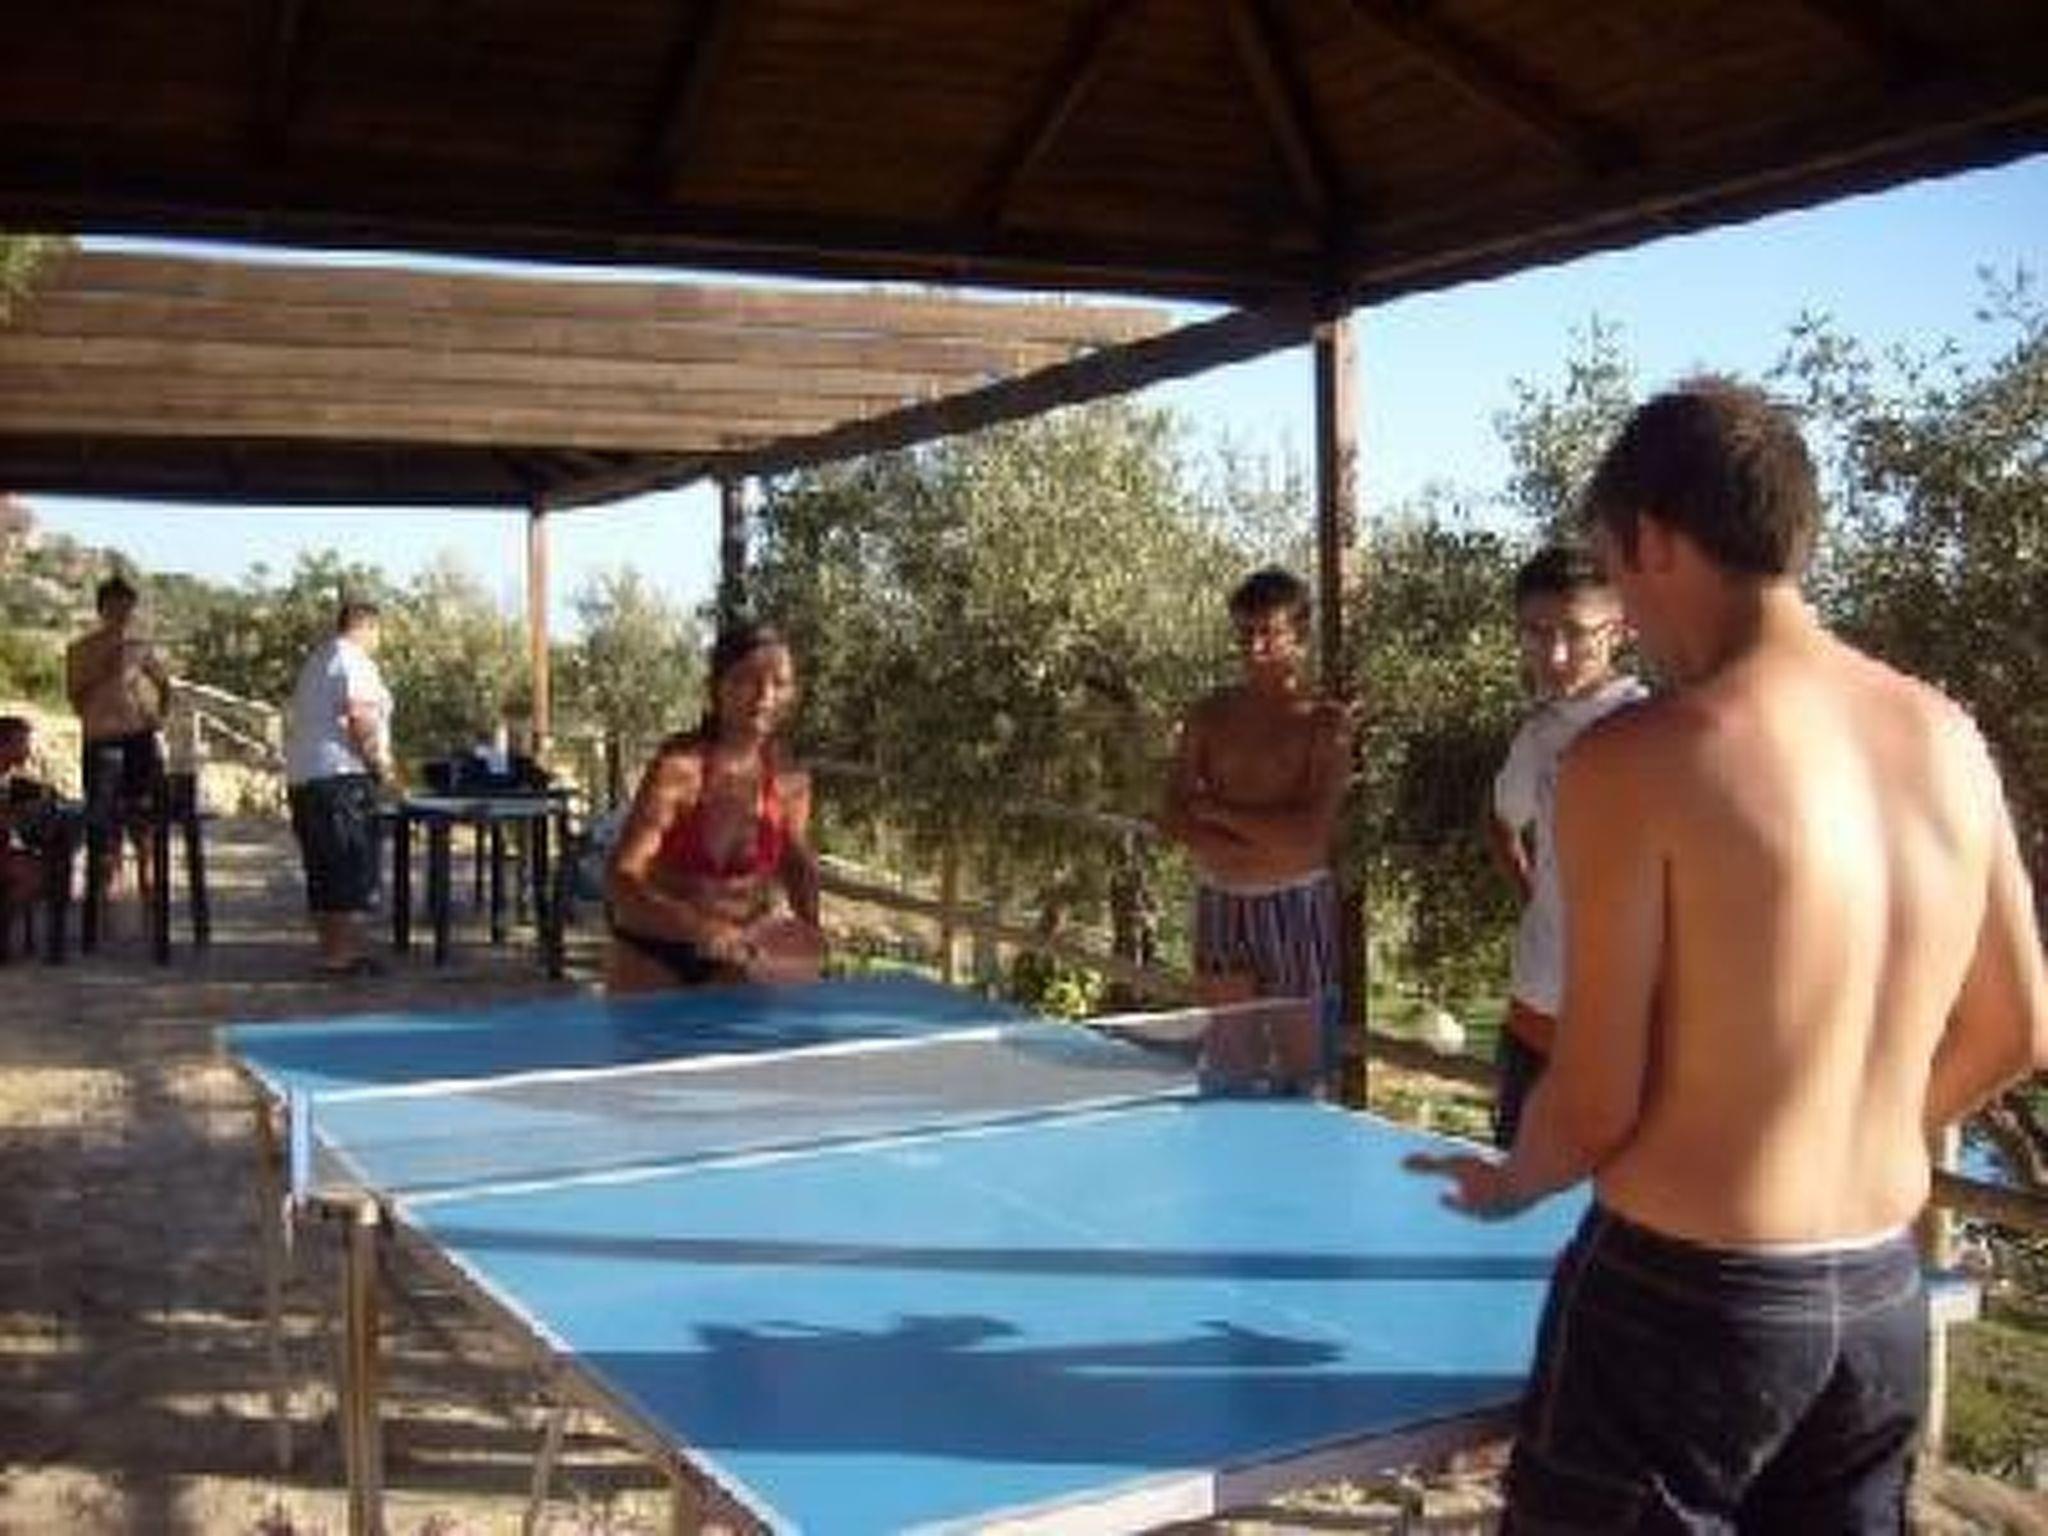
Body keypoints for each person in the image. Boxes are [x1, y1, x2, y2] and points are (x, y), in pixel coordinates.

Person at [1407, 377, 2048, 1531]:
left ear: (1652, 541)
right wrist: (1849, 1131)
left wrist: (1511, 1180)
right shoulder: (1945, 737)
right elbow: (2016, 1027)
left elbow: (1593, 1099)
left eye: (1614, 567)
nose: (1623, 611)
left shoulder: (1635, 761)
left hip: (1682, 1303)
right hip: (1877, 1298)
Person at [1160, 567, 1351, 1091]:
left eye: (1269, 632)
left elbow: (1310, 837)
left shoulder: (1325, 723)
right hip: (1221, 900)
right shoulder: (1209, 715)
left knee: (1303, 1072)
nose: (1255, 646)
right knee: (1228, 1065)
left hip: (1297, 906)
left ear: (1300, 635)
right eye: (1245, 632)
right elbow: (1173, 815)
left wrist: (1217, 812)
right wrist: (1263, 836)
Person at [1486, 545, 1646, 1147]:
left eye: (1576, 634)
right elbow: (1500, 821)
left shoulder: (1657, 734)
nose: (1554, 655)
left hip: (1627, 1026)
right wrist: (1536, 901)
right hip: (1536, 1011)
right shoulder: (1538, 735)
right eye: (1536, 633)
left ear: (1620, 630)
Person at [605, 621, 824, 993]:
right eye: (748, 680)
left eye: (780, 683)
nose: (765, 696)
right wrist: (698, 928)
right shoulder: (678, 769)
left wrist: (811, 935)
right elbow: (621, 879)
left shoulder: (791, 779)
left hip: (738, 961)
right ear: (717, 686)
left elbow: (796, 862)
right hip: (653, 954)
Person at [284, 600, 393, 976]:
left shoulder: (318, 661)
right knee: (348, 863)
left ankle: (333, 950)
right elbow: (360, 717)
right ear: (368, 627)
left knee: (323, 868)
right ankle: (342, 954)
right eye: (378, 632)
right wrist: (379, 765)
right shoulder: (353, 661)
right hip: (341, 776)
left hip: (306, 777)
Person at [64, 574, 171, 930]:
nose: (121, 614)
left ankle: (149, 887)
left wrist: (158, 715)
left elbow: (164, 684)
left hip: (139, 738)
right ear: (102, 609)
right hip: (101, 741)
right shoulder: (80, 649)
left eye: (127, 607)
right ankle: (105, 894)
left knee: (144, 818)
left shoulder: (140, 647)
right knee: (103, 820)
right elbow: (74, 697)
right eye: (114, 607)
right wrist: (103, 670)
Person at [0, 715, 58, 928]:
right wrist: (20, 815)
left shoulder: (8, 776)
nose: (28, 750)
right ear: (4, 746)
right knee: (34, 874)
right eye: (22, 743)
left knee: (41, 867)